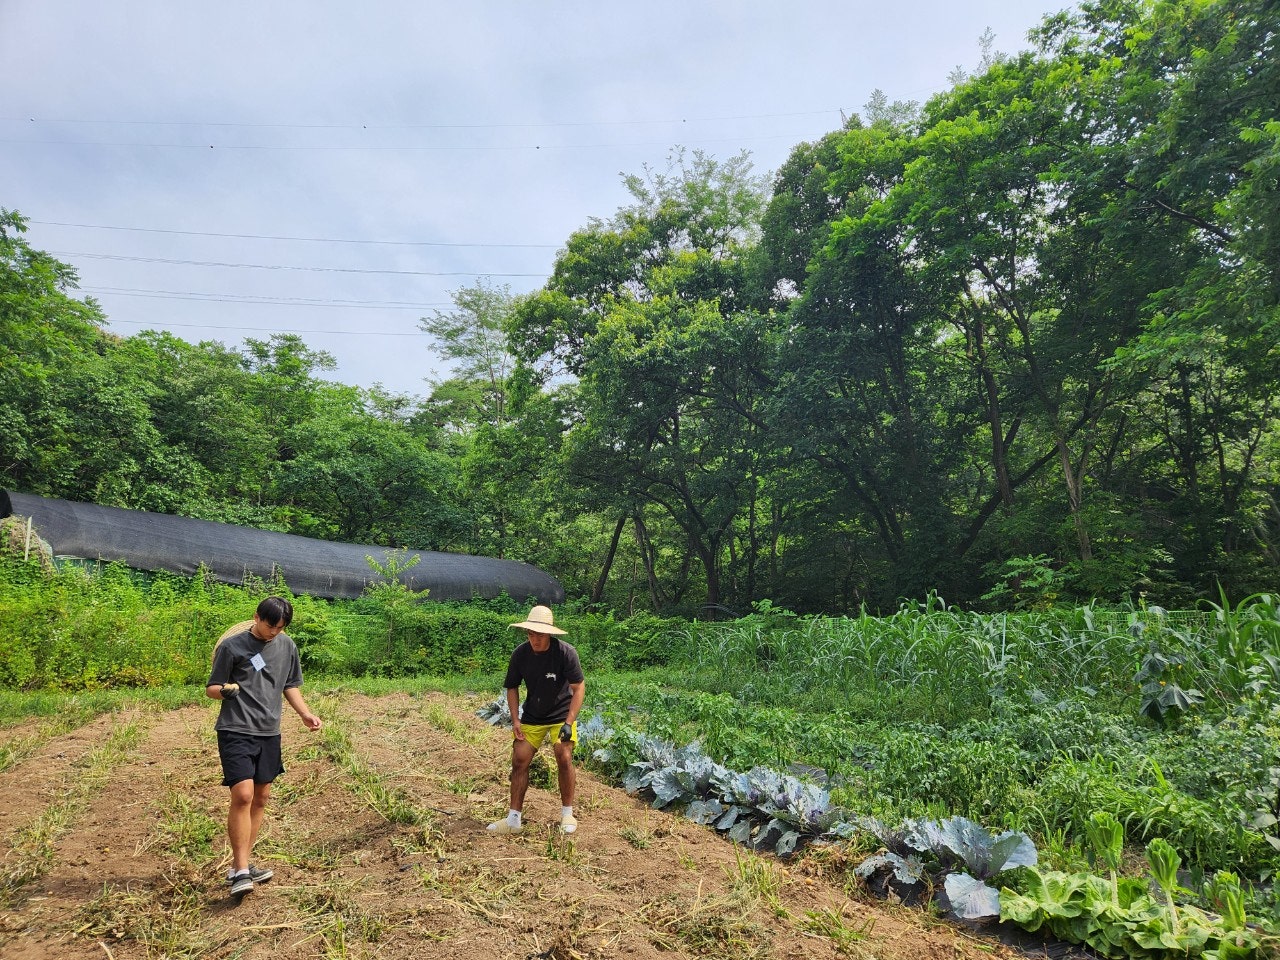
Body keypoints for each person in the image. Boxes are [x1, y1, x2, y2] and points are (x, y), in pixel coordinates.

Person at [205, 596, 321, 898]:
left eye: (281, 628)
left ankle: (241, 865)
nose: (274, 633)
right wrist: (227, 692)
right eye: (271, 626)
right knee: (242, 794)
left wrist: (305, 713)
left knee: (261, 797)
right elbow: (211, 689)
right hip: (235, 729)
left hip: (269, 732)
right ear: (256, 617)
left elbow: (289, 685)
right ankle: (242, 871)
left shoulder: (287, 646)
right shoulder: (232, 647)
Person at [487, 604, 585, 836]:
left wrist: (569, 722)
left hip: (561, 715)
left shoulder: (565, 653)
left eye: (539, 635)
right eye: (531, 634)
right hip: (532, 715)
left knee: (563, 755)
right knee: (519, 759)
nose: (535, 639)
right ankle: (513, 819)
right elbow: (512, 687)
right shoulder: (520, 654)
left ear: (549, 633)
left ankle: (567, 813)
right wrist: (515, 720)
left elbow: (578, 687)